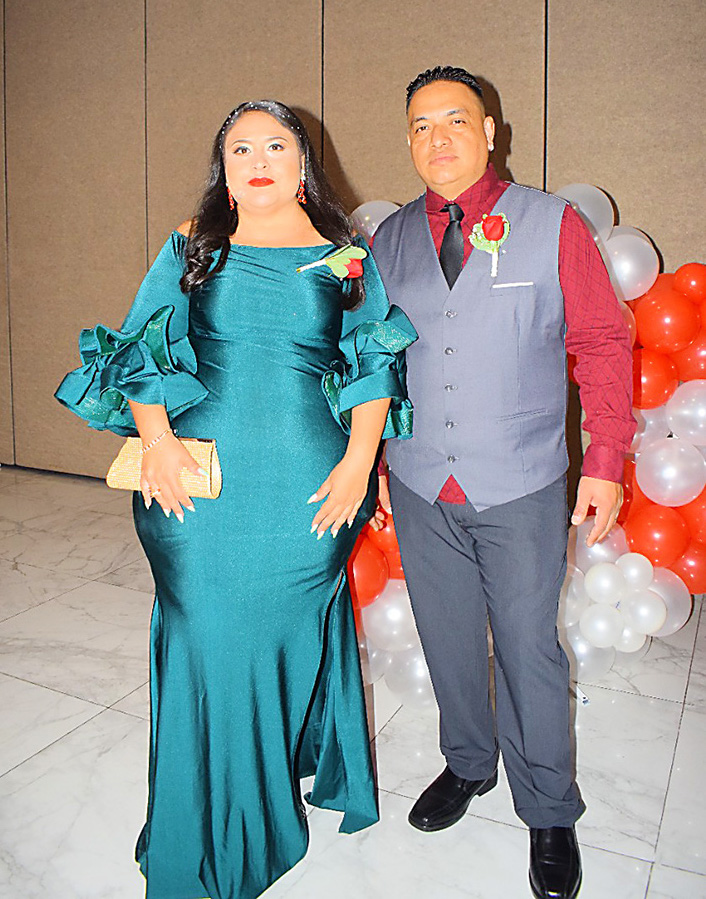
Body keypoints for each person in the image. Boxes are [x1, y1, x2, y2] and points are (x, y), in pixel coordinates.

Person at [55, 99, 416, 899]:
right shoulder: (195, 243)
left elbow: (372, 361)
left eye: (275, 145)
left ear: (302, 162)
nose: (257, 160)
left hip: (311, 488)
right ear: (222, 167)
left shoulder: (344, 254)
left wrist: (360, 464)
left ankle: (261, 798)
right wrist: (157, 440)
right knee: (206, 638)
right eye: (240, 148)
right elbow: (142, 342)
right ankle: (204, 826)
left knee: (278, 639)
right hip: (196, 480)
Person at [371, 66, 634, 899]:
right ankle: (468, 762)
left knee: (527, 648)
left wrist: (605, 461)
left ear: (490, 131)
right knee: (447, 637)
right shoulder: (390, 240)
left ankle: (549, 808)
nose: (437, 138)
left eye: (455, 119)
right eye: (421, 125)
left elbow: (601, 342)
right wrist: (375, 462)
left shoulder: (552, 223)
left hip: (520, 483)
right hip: (421, 480)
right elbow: (373, 362)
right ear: (409, 141)